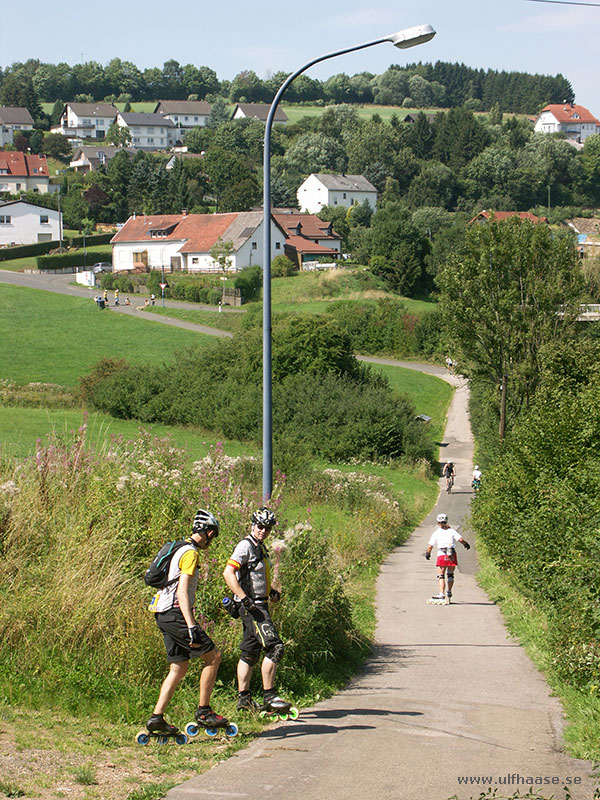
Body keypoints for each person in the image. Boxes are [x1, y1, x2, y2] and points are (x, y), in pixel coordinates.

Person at [146, 509, 229, 737]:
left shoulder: (179, 547)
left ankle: (157, 719)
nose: (213, 541)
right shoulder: (191, 553)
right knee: (213, 658)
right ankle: (204, 712)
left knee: (179, 667)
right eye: (214, 536)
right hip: (176, 614)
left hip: (162, 614)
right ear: (209, 533)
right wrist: (191, 625)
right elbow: (182, 591)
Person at [223, 507, 291, 714]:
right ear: (253, 525)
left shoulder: (259, 547)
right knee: (275, 647)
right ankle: (269, 697)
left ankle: (244, 701)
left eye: (267, 528)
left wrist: (270, 591)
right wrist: (245, 599)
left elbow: (253, 576)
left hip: (259, 602)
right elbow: (228, 572)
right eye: (260, 526)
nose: (263, 531)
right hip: (252, 607)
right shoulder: (245, 546)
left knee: (250, 653)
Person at [425, 513, 470, 604]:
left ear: (438, 522)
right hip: (451, 554)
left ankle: (441, 593)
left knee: (441, 575)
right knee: (450, 574)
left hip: (442, 554)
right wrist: (466, 544)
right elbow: (460, 539)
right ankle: (449, 591)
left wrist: (428, 553)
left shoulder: (437, 532)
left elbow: (430, 546)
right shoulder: (451, 531)